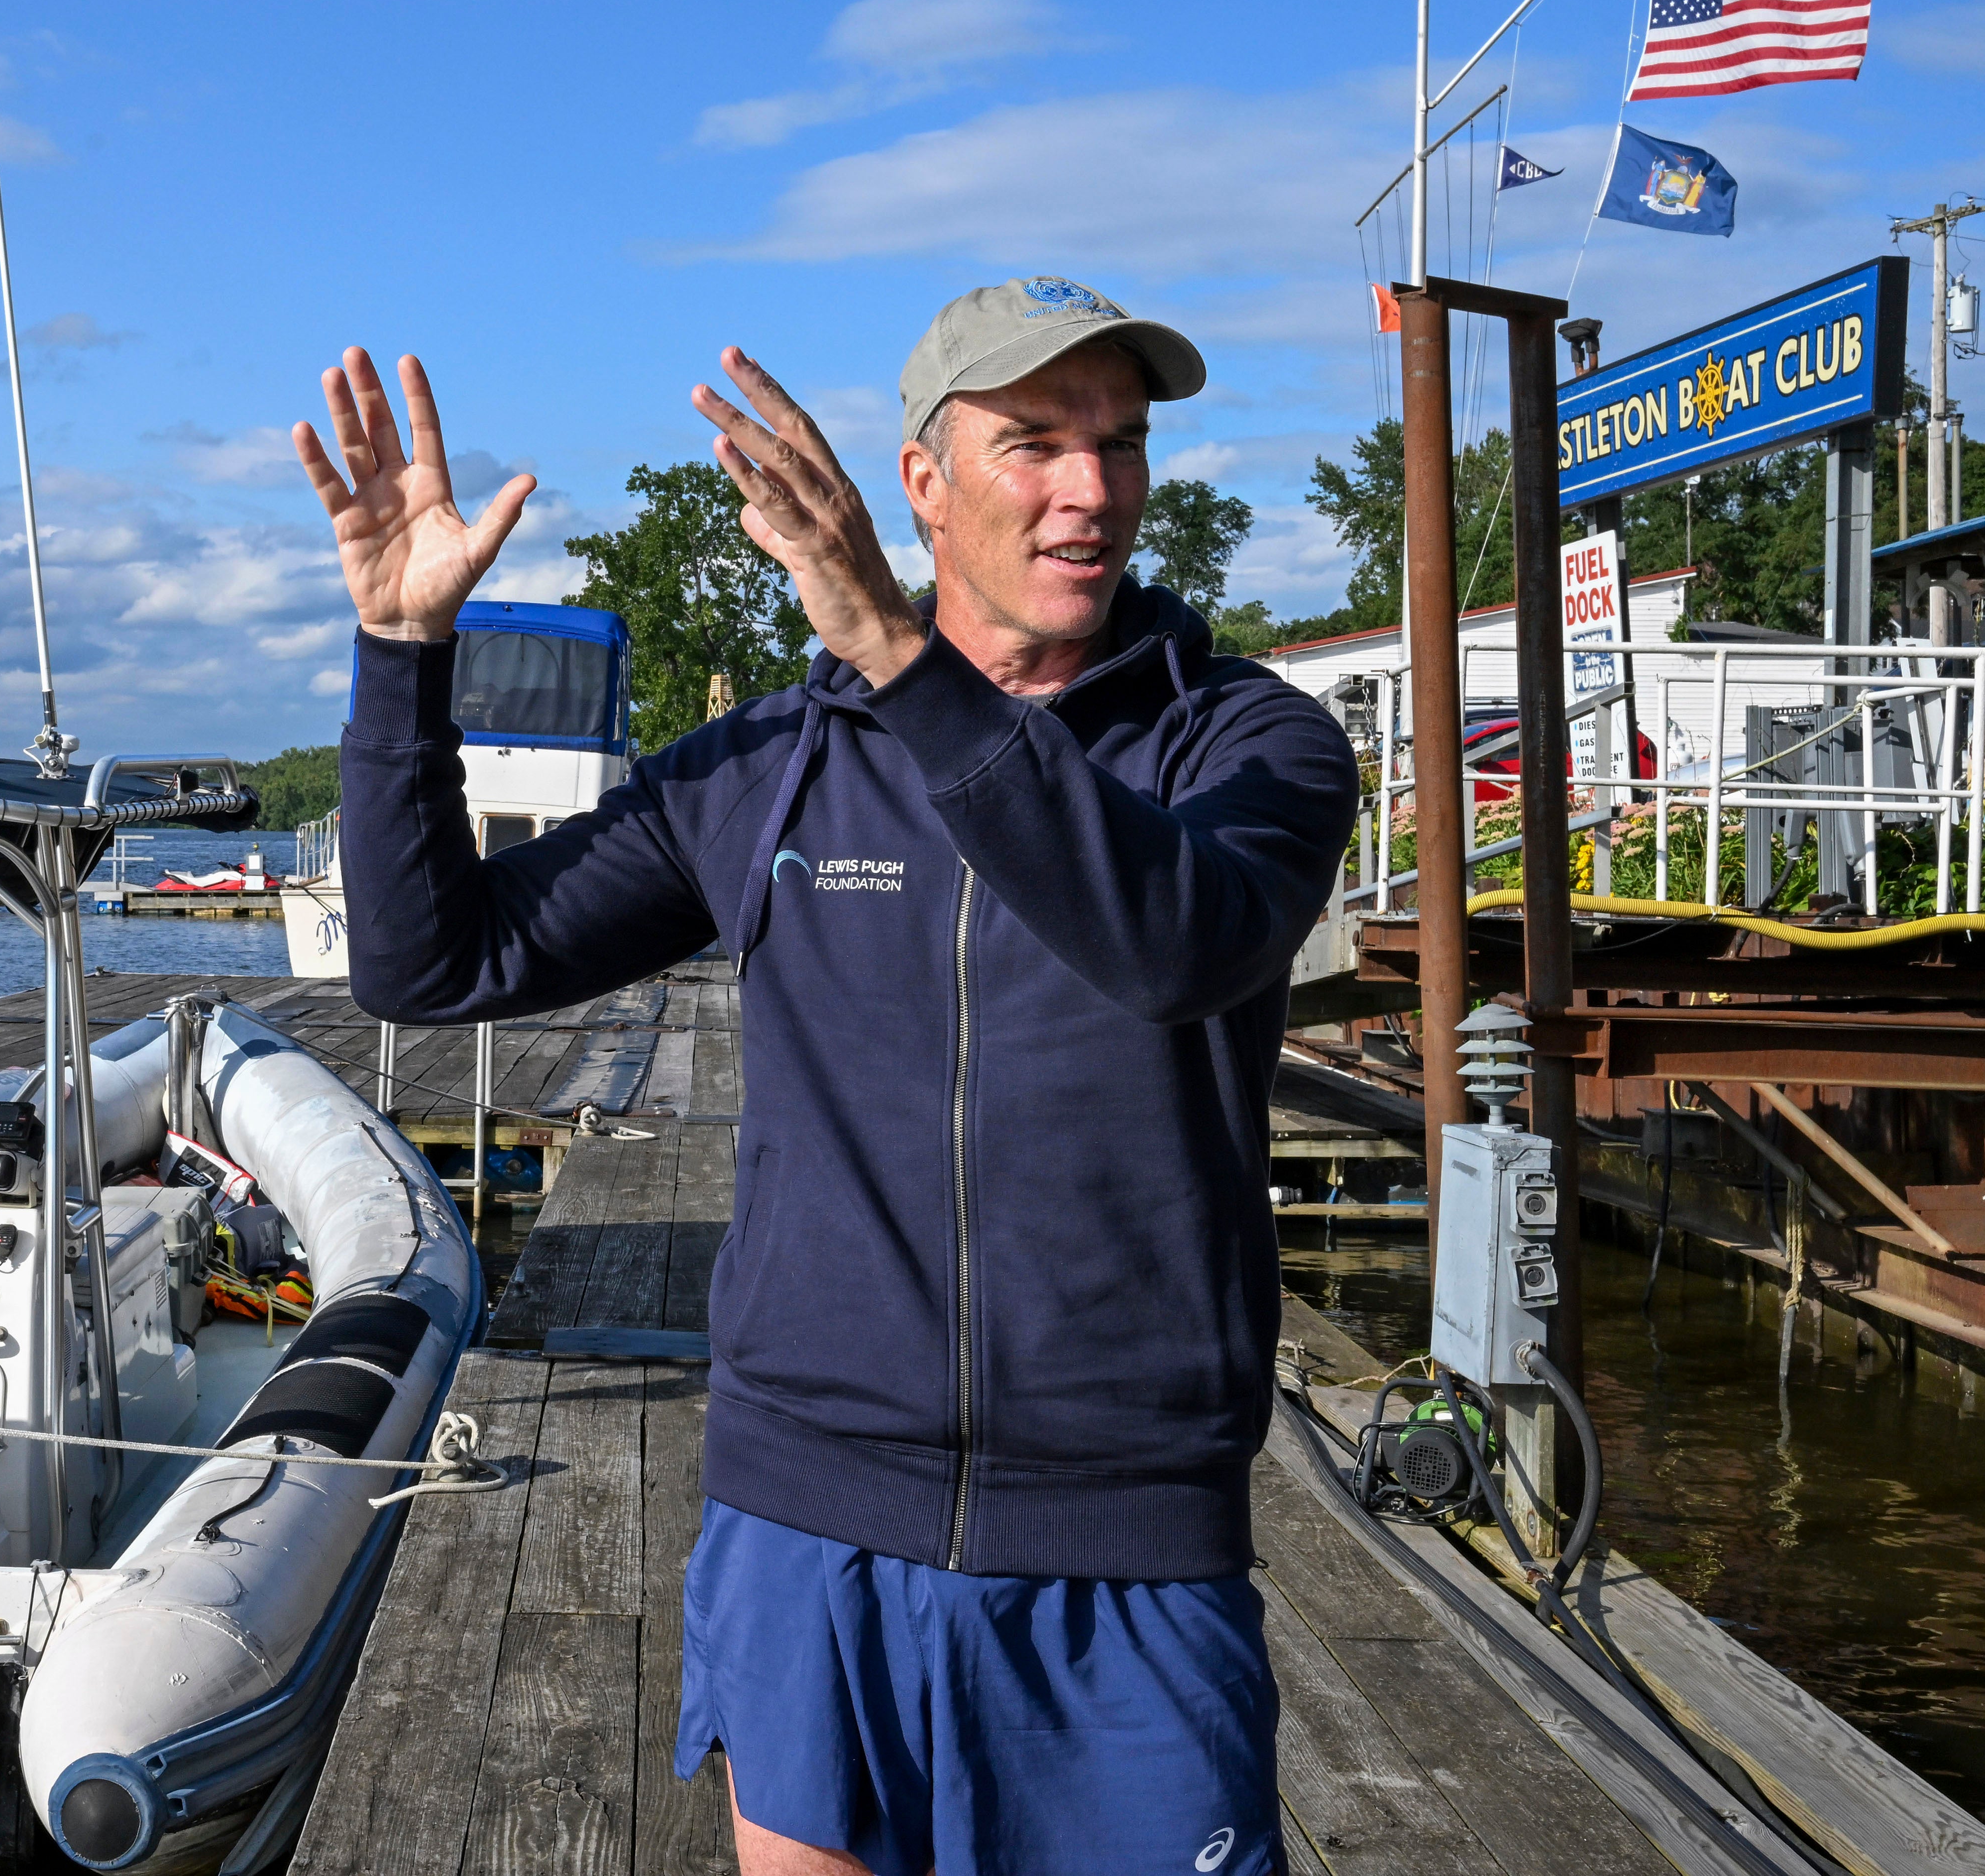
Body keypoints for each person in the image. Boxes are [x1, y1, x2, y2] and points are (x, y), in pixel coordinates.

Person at [292, 278, 1359, 1876]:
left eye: (1120, 446)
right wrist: (400, 654)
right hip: (809, 1528)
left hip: (1126, 1548)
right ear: (922, 480)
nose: (1094, 491)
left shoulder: (1245, 748)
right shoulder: (771, 766)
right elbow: (438, 967)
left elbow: (1175, 949)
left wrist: (901, 656)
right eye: (1037, 444)